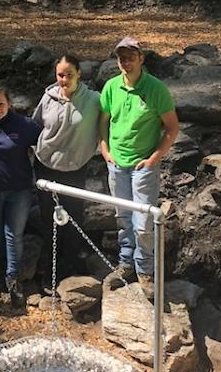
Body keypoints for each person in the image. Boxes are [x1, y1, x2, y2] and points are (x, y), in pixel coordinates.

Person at [99, 36, 179, 300]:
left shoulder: (155, 89)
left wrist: (155, 157)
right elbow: (104, 119)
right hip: (117, 163)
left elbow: (172, 127)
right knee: (123, 218)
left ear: (141, 58)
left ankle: (145, 271)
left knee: (143, 222)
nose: (126, 61)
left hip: (143, 164)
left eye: (131, 56)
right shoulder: (111, 87)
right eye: (122, 56)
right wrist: (104, 149)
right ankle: (126, 264)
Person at [33, 54, 101, 283]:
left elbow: (111, 120)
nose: (64, 79)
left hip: (74, 169)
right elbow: (36, 126)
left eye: (69, 75)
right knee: (48, 220)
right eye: (60, 75)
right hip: (45, 167)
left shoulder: (93, 100)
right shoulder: (48, 97)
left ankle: (71, 267)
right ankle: (48, 268)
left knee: (73, 218)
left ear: (79, 74)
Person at [0, 87, 41, 308]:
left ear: (9, 104)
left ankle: (13, 277)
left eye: (0, 104)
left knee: (13, 234)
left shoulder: (23, 125)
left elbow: (45, 142)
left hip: (19, 190)